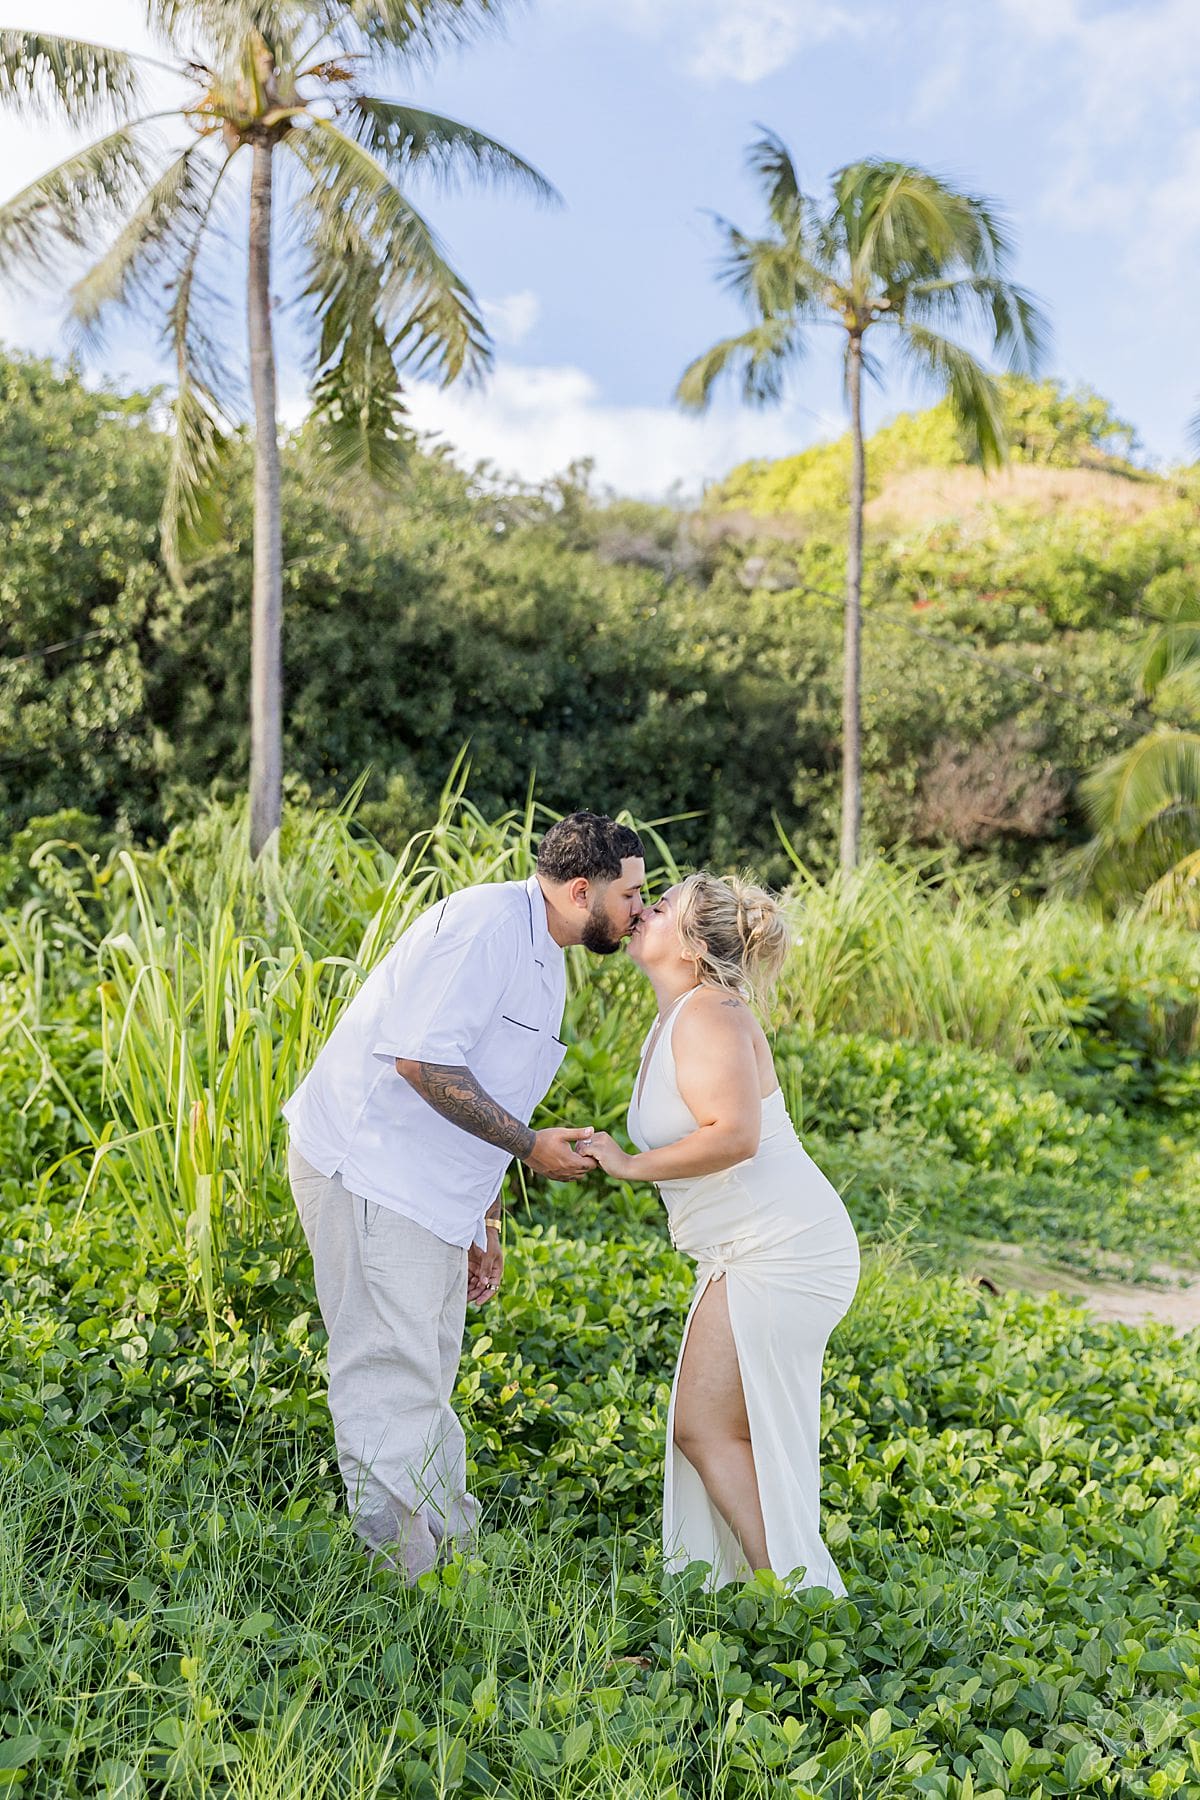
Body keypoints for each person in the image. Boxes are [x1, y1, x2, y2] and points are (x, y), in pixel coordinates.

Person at [283, 812, 645, 1579]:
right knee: (389, 1379)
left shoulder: (546, 951)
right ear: (582, 891)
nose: (640, 910)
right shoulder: (485, 928)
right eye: (632, 895)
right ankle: (398, 1585)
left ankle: (447, 1563)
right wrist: (531, 1150)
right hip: (373, 1173)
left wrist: (486, 1217)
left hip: (436, 1195)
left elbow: (493, 1083)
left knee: (427, 1375)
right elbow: (422, 1063)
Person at [585, 873, 859, 1592]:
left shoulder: (711, 1011)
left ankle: (795, 1598)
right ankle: (774, 1594)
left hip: (784, 1250)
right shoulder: (681, 1014)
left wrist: (629, 1164)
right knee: (709, 1428)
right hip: (752, 1250)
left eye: (663, 903)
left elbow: (735, 1135)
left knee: (706, 1428)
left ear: (696, 943)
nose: (644, 908)